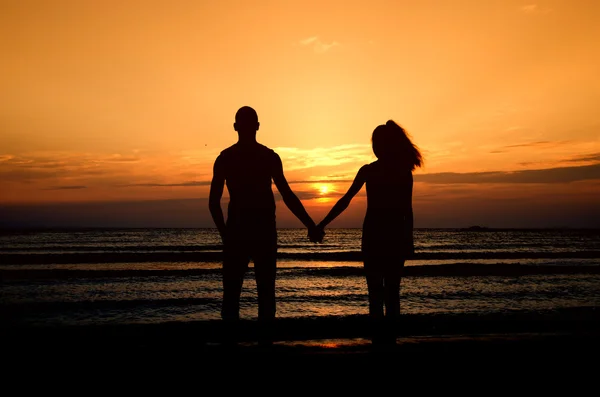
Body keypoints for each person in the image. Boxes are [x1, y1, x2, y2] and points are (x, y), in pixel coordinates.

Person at [209, 106, 323, 346]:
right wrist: (310, 225)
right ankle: (263, 347)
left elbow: (213, 203)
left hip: (243, 234)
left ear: (236, 127)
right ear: (257, 126)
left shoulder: (228, 158)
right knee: (262, 297)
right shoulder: (263, 157)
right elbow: (288, 196)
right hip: (257, 234)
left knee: (234, 297)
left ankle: (235, 346)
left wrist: (225, 235)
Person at [316, 120, 423, 345]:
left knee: (378, 293)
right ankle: (387, 341)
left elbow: (346, 201)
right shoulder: (397, 172)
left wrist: (322, 225)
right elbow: (407, 212)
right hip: (389, 237)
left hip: (376, 237)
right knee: (390, 293)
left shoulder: (376, 171)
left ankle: (381, 342)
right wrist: (408, 240)